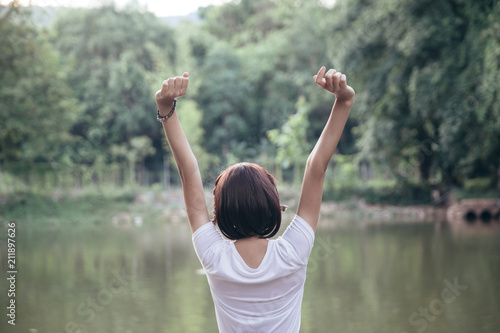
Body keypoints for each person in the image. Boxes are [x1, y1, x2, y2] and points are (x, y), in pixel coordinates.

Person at [155, 66, 355, 332]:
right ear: (273, 204)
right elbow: (316, 167)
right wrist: (344, 101)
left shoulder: (214, 257)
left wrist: (166, 108)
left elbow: (187, 170)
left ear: (220, 212)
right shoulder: (293, 252)